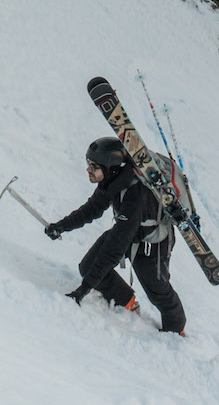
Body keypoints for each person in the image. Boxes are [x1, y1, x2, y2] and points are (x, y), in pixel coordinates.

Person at [46, 136, 186, 335]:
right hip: (128, 231)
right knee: (88, 267)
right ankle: (128, 304)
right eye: (88, 164)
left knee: (158, 292)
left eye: (93, 166)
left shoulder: (134, 195)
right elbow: (92, 209)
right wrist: (61, 226)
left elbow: (115, 247)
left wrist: (83, 289)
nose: (88, 169)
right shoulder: (115, 181)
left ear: (110, 168)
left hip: (152, 242)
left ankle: (176, 332)